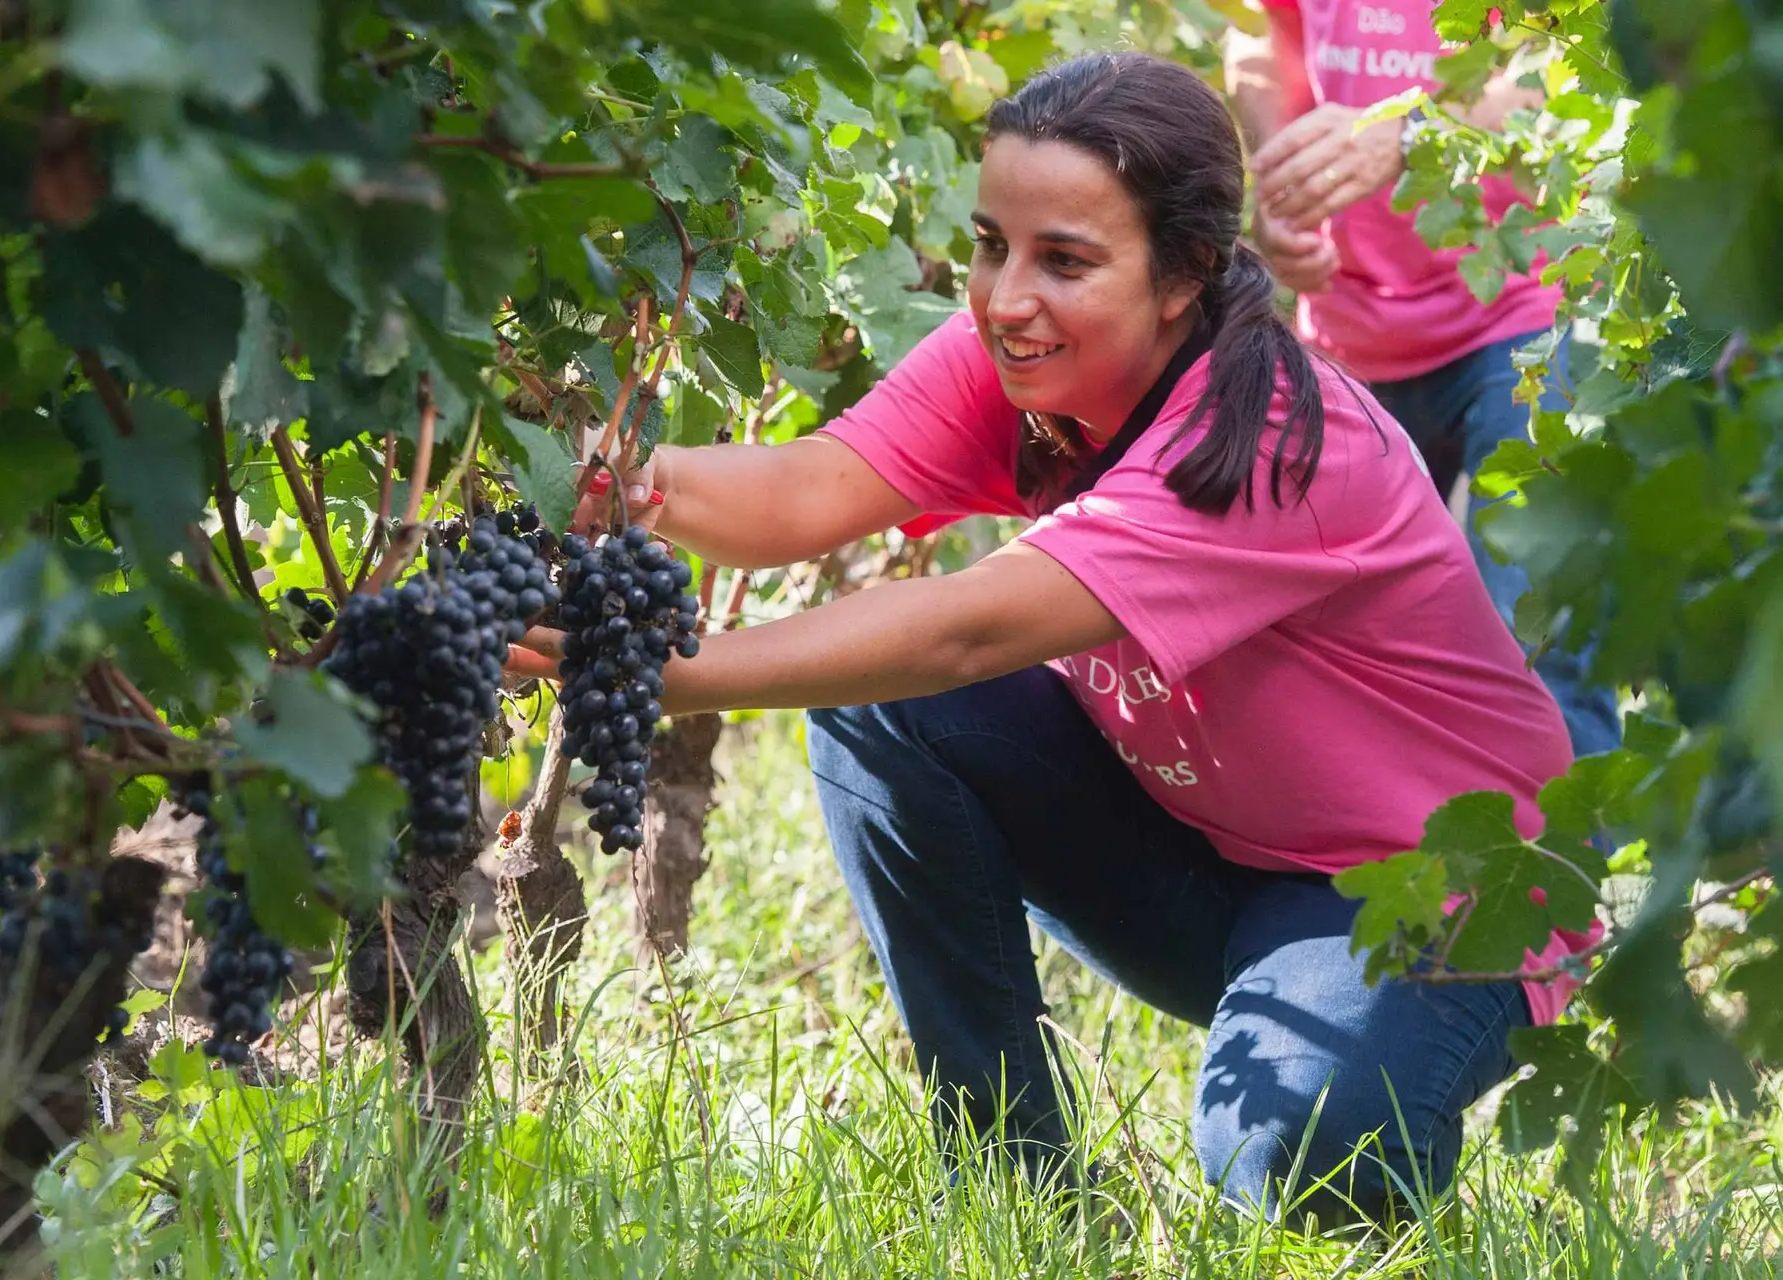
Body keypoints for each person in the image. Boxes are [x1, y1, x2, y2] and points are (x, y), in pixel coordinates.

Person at [510, 52, 1594, 1226]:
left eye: (1065, 260)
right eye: (991, 244)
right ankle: (1024, 1190)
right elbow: (805, 490)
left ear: (1182, 273)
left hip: (1440, 884)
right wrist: (592, 475)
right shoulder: (1028, 357)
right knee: (878, 712)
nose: (1004, 295)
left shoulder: (1275, 441)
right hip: (1210, 851)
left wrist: (660, 671)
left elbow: (972, 630)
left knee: (1300, 1150)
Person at [1224, 0, 1621, 759]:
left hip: (1524, 313)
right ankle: (1383, 864)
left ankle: (1562, 869)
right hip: (1348, 335)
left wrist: (1409, 135)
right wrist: (1282, 186)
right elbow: (1259, 37)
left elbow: (1580, 88)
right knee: (1338, 648)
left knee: (1539, 633)